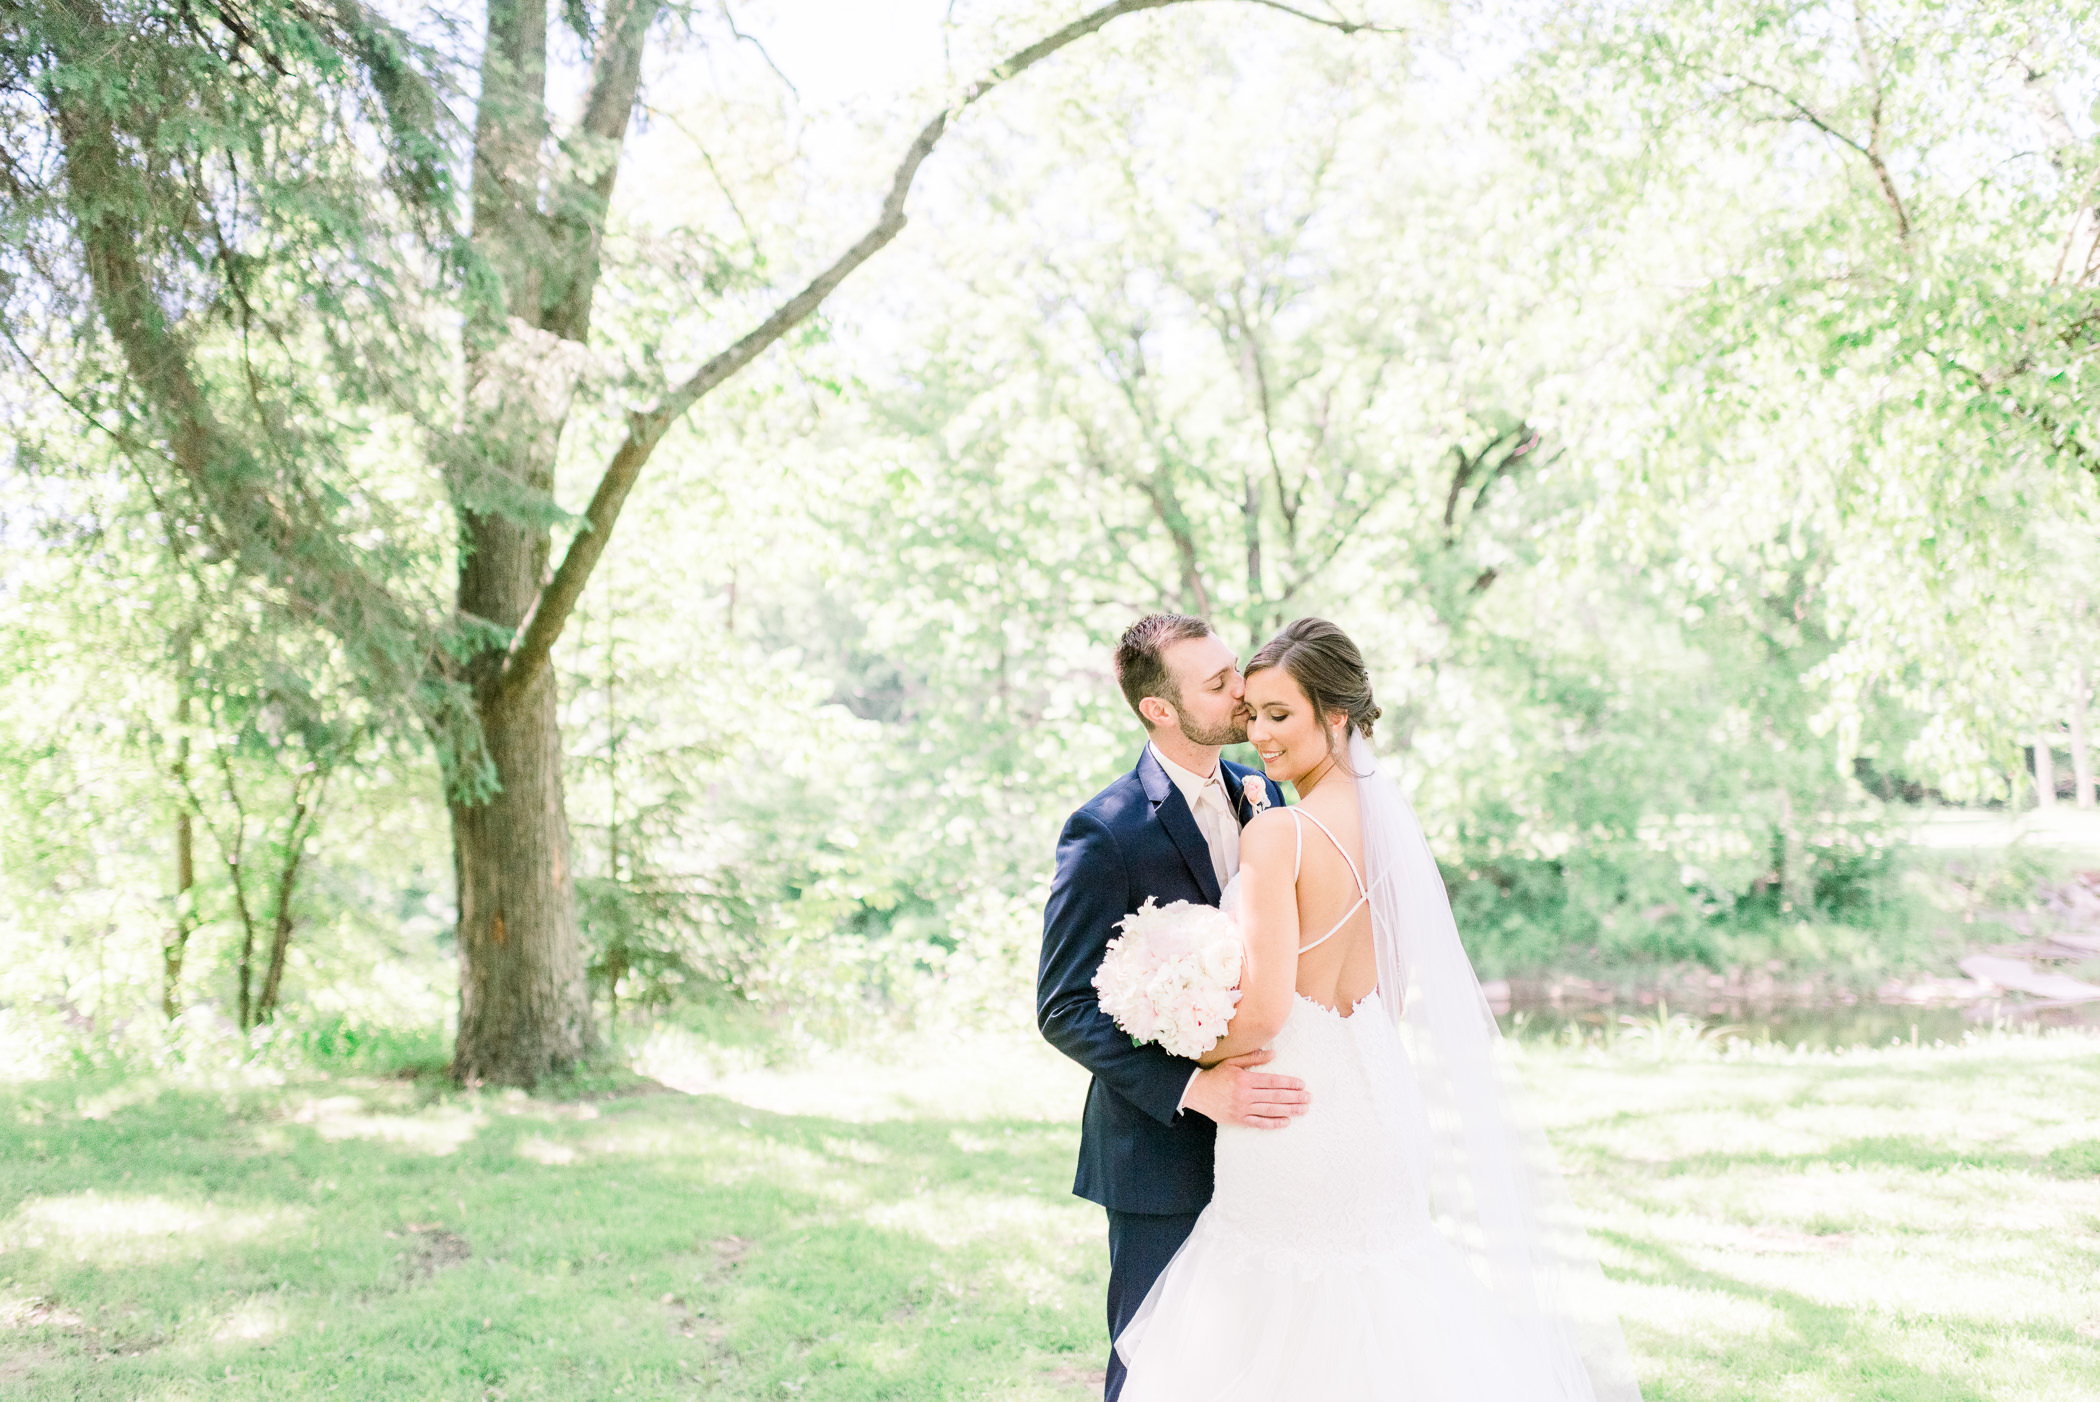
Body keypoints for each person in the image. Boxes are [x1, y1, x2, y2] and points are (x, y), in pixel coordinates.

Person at [1113, 617, 1643, 1402]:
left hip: (1290, 1114)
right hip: (1378, 1104)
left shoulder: (1279, 835)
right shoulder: (1394, 828)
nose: (1257, 733)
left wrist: (1176, 1017)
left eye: (1279, 714)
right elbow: (1387, 996)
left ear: (1336, 715)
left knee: (1279, 1328)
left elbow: (1260, 1017)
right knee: (1387, 1312)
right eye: (1251, 713)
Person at [1037, 612, 1298, 1402]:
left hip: (1269, 1140)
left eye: (1235, 671)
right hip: (1157, 1155)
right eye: (1218, 683)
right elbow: (1063, 1005)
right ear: (1159, 709)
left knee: (1259, 1362)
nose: (1243, 691)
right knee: (1157, 1369)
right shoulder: (1105, 830)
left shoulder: (1269, 793)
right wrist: (1194, 1088)